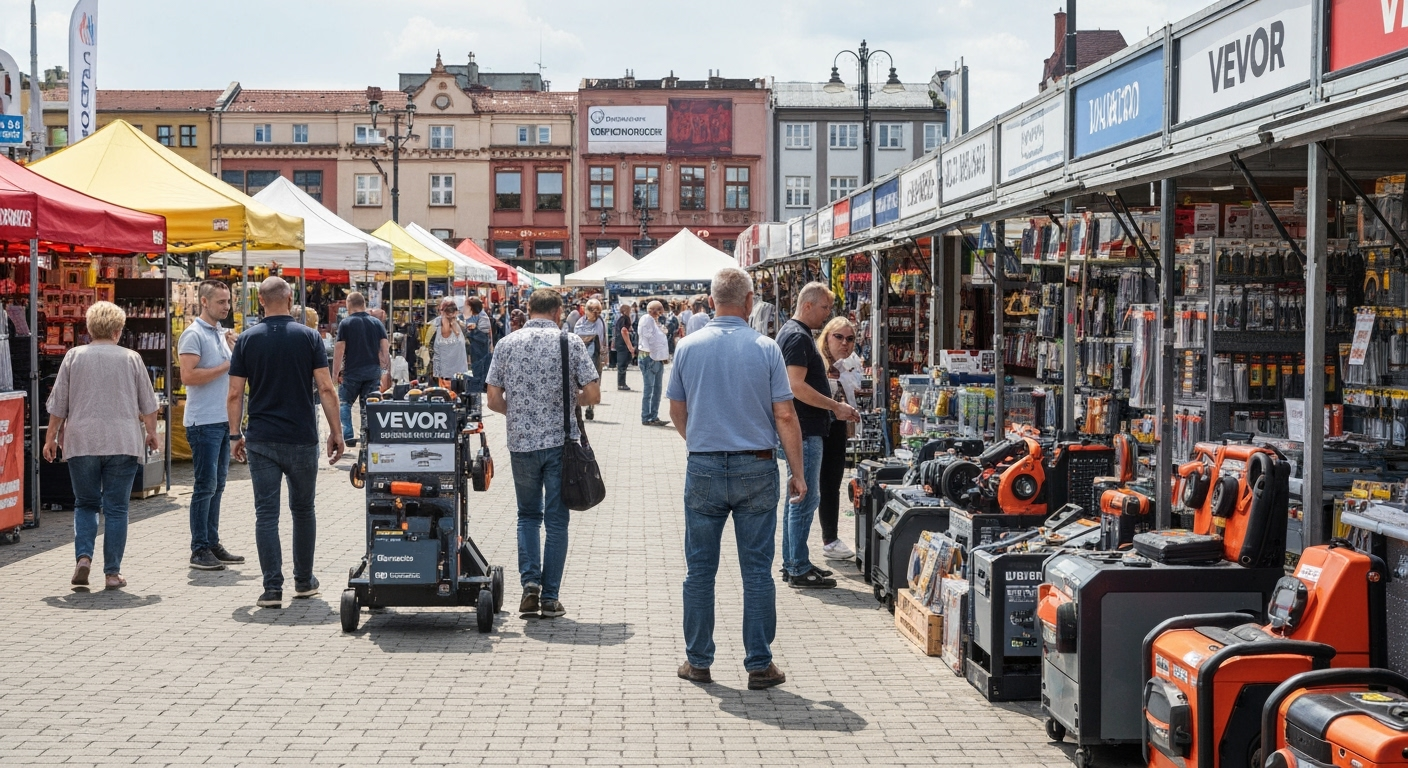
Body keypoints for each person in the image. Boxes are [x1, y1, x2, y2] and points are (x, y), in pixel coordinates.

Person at [666, 267, 804, 690]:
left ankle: (698, 661)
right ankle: (759, 665)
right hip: (757, 466)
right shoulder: (766, 348)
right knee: (757, 572)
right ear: (749, 303)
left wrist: (704, 442)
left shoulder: (687, 346)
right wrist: (798, 473)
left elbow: (675, 410)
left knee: (700, 570)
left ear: (711, 301)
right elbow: (784, 414)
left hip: (704, 466)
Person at [227, 277, 345, 609]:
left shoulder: (247, 340)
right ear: (290, 298)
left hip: (262, 438)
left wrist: (235, 434)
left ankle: (271, 589)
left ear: (260, 301)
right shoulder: (309, 337)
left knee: (266, 513)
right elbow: (326, 388)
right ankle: (304, 582)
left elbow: (235, 393)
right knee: (303, 510)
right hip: (301, 436)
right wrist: (336, 432)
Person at [485, 289, 601, 620]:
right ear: (558, 312)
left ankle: (529, 586)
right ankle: (550, 598)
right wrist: (564, 404)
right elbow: (593, 393)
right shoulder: (571, 343)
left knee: (527, 516)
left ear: (528, 309)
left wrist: (519, 413)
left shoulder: (507, 344)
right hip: (561, 443)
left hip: (521, 444)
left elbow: (492, 399)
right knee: (557, 520)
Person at [44, 302, 161, 591]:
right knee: (117, 508)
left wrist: (51, 437)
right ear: (118, 330)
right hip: (122, 441)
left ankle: (84, 557)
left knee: (85, 504)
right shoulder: (131, 358)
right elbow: (149, 403)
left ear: (89, 329)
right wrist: (151, 432)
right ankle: (112, 573)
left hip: (81, 440)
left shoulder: (74, 356)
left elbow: (59, 403)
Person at [777, 282, 860, 589]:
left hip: (805, 427)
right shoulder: (797, 336)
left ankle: (795, 561)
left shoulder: (794, 333)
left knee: (799, 497)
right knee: (805, 496)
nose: (828, 315)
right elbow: (795, 385)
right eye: (825, 307)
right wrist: (834, 406)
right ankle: (797, 566)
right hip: (805, 428)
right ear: (808, 305)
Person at [177, 280, 242, 571]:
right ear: (204, 302)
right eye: (221, 302)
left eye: (228, 301)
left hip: (221, 420)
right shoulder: (193, 334)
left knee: (218, 485)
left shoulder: (220, 334)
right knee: (205, 486)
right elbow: (188, 377)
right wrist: (229, 365)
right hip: (202, 421)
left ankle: (211, 542)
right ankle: (199, 548)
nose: (226, 307)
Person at [816, 317, 864, 562]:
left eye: (850, 338)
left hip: (836, 430)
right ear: (827, 336)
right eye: (839, 337)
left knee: (830, 484)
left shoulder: (849, 365)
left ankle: (830, 538)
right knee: (810, 486)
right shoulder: (817, 362)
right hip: (815, 429)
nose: (845, 343)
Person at [332, 291, 389, 447]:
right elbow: (385, 350)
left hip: (352, 372)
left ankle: (348, 434)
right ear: (364, 305)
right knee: (369, 405)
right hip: (372, 372)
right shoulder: (377, 323)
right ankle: (367, 436)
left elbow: (339, 351)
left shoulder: (346, 323)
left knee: (344, 403)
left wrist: (334, 375)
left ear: (348, 305)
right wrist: (385, 373)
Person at [637, 300, 672, 427]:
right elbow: (651, 338)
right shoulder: (647, 319)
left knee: (657, 390)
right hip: (649, 358)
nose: (661, 312)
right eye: (659, 310)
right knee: (649, 390)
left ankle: (654, 416)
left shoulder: (654, 321)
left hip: (657, 359)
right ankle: (646, 417)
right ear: (653, 310)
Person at [573, 299, 608, 420]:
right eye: (592, 310)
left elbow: (604, 340)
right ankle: (579, 406)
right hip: (581, 358)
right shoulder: (579, 322)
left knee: (594, 382)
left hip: (595, 357)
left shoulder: (601, 323)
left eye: (597, 311)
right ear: (586, 310)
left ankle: (590, 407)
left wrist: (604, 357)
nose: (595, 313)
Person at [426, 297, 469, 380]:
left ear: (456, 311)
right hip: (439, 374)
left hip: (458, 374)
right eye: (447, 310)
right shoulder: (432, 326)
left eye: (452, 309)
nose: (450, 313)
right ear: (440, 311)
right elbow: (427, 346)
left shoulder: (462, 327)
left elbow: (468, 347)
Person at [465, 296, 494, 393]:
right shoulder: (472, 316)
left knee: (477, 378)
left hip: (480, 355)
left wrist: (472, 332)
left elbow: (483, 337)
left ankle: (475, 398)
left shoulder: (483, 317)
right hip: (474, 355)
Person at [614, 302, 635, 391]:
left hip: (619, 341)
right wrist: (630, 346)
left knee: (622, 363)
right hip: (623, 343)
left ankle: (621, 383)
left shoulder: (619, 319)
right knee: (622, 363)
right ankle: (621, 384)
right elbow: (624, 331)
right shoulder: (625, 319)